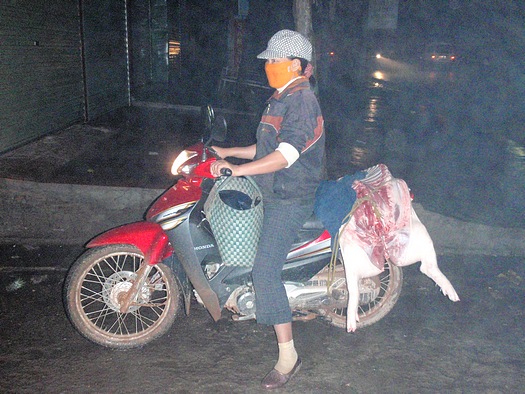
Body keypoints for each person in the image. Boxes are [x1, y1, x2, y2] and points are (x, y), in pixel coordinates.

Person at [211, 29, 325, 390]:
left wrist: (239, 170)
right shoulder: (281, 97)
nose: (268, 67)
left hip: (289, 198)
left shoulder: (303, 102)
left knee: (264, 271)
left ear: (295, 65)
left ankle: (289, 357)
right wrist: (227, 153)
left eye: (273, 61)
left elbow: (285, 155)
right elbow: (263, 149)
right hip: (272, 189)